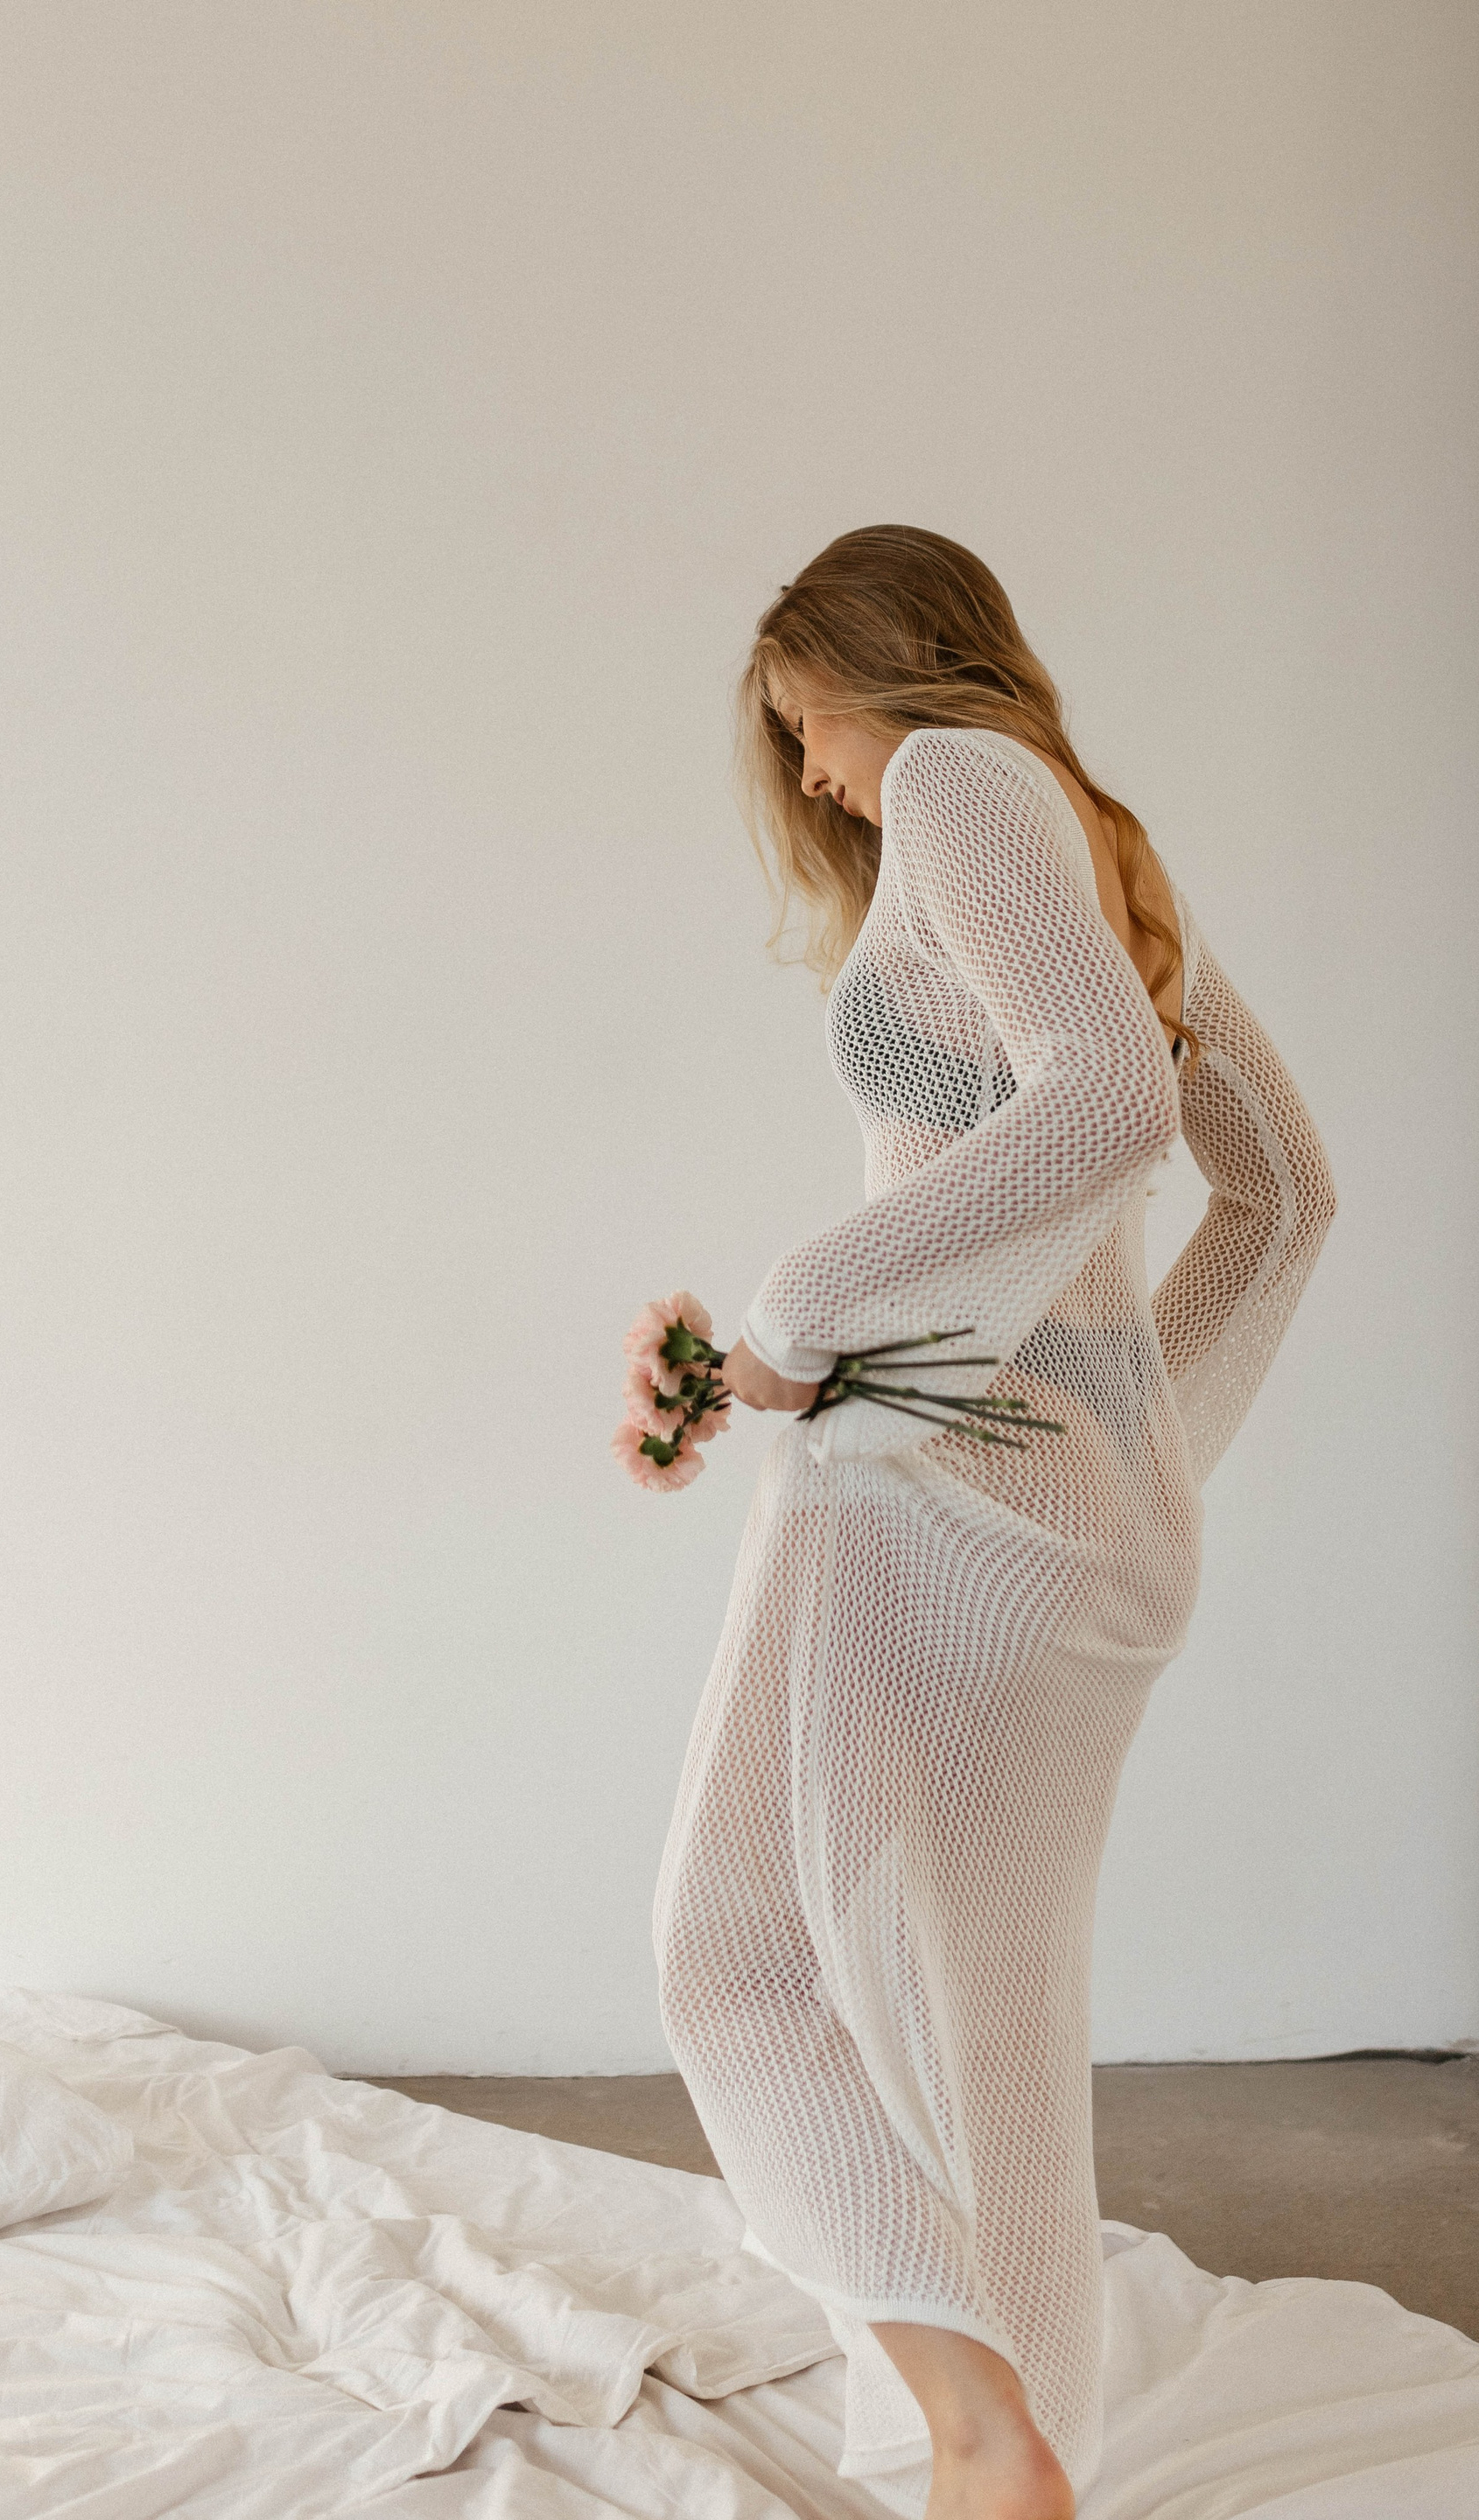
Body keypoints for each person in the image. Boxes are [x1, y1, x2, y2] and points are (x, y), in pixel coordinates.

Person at [651, 527, 1337, 2520]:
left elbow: (1104, 1102)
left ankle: (978, 2431)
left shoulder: (960, 780)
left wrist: (801, 1315)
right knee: (994, 2022)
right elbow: (1285, 1193)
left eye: (807, 722)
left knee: (733, 1954)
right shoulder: (1100, 843)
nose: (811, 776)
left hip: (932, 1497)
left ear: (886, 670)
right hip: (1075, 1528)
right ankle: (1015, 2462)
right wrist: (1130, 1446)